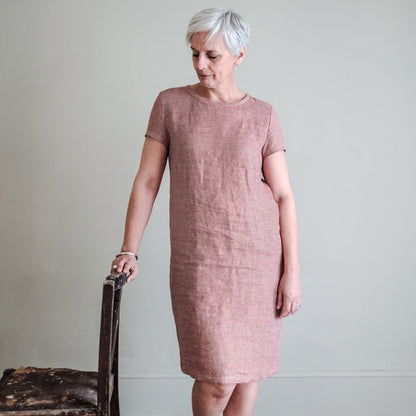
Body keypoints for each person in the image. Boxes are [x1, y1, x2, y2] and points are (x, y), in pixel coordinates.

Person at [111, 8, 301, 416]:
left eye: (212, 55)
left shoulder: (263, 116)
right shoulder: (170, 104)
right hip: (200, 263)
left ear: (239, 55)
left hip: (258, 264)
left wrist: (292, 272)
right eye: (194, 54)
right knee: (217, 380)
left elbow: (284, 196)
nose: (200, 64)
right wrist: (129, 248)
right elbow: (147, 180)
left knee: (246, 377)